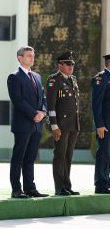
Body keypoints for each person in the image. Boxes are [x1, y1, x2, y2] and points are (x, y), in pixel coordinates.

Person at [7, 46, 48, 199]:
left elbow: (43, 97)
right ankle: (16, 190)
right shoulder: (14, 76)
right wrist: (33, 114)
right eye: (29, 55)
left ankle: (30, 188)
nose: (32, 58)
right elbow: (18, 100)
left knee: (30, 157)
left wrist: (43, 112)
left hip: (37, 124)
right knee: (18, 157)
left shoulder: (36, 76)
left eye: (33, 55)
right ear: (20, 58)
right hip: (23, 124)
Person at [46, 51, 80, 196]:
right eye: (67, 64)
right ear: (59, 65)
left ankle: (67, 185)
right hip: (61, 125)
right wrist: (54, 125)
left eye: (72, 64)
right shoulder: (54, 80)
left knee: (68, 156)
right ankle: (59, 187)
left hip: (72, 124)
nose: (70, 66)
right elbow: (51, 106)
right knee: (60, 155)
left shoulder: (73, 79)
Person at [91, 54, 110, 194]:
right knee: (103, 153)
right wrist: (99, 124)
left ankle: (107, 181)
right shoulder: (101, 78)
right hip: (105, 125)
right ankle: (101, 184)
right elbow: (96, 103)